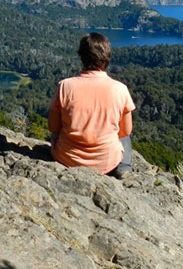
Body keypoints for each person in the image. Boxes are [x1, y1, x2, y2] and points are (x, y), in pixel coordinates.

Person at [48, 32, 134, 178]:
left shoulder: (64, 86)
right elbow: (126, 131)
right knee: (125, 138)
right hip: (107, 161)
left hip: (67, 159)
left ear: (82, 56)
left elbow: (53, 127)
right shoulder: (120, 89)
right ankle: (123, 167)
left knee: (57, 133)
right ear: (106, 57)